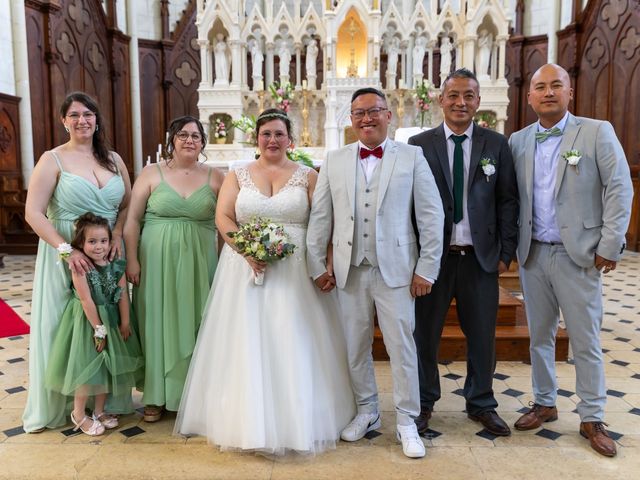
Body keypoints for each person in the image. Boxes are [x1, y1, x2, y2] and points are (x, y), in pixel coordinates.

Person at [175, 109, 355, 455]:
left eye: (278, 134)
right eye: (266, 134)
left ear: (291, 138)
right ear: (256, 138)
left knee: (295, 338)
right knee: (247, 341)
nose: (272, 140)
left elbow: (323, 223)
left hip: (296, 270)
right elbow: (223, 216)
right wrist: (246, 249)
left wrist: (327, 264)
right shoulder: (237, 174)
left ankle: (301, 417)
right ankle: (247, 420)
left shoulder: (308, 176)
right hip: (245, 268)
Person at [307, 88, 444, 458]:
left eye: (374, 111)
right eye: (358, 113)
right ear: (350, 119)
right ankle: (367, 410)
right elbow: (321, 218)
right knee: (355, 347)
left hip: (398, 271)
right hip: (349, 271)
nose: (366, 119)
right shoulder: (334, 160)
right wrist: (317, 265)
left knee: (401, 347)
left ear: (389, 115)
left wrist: (427, 269)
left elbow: (431, 216)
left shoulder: (412, 157)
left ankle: (406, 421)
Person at [509, 63, 633, 457]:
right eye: (540, 87)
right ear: (529, 97)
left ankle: (592, 416)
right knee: (540, 336)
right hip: (533, 254)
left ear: (569, 92)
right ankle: (545, 401)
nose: (548, 92)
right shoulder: (518, 141)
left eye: (555, 86)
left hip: (578, 255)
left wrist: (609, 245)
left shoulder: (596, 132)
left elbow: (619, 187)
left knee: (585, 340)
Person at [408, 68, 519, 437]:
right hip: (432, 261)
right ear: (441, 99)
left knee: (483, 334)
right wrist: (414, 258)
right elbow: (407, 205)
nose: (460, 102)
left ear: (478, 102)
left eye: (468, 95)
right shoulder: (419, 145)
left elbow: (508, 199)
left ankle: (482, 403)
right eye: (453, 95)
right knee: (425, 334)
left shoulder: (495, 144)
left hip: (479, 258)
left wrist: (506, 252)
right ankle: (424, 402)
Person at [23, 91, 132, 433]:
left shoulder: (113, 159)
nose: (82, 120)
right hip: (68, 256)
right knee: (68, 327)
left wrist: (116, 234)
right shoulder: (52, 159)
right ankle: (67, 406)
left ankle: (105, 402)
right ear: (63, 121)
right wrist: (67, 250)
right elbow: (33, 213)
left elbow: (126, 205)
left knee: (108, 322)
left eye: (88, 114)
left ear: (97, 119)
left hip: (107, 253)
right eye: (74, 115)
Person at [124, 116, 224, 423]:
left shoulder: (217, 177)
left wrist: (223, 267)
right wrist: (132, 259)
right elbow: (132, 220)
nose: (189, 140)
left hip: (200, 263)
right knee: (156, 321)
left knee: (197, 322)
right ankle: (154, 395)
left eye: (196, 136)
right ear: (172, 139)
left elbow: (227, 222)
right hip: (155, 262)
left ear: (203, 142)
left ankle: (190, 396)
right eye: (183, 135)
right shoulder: (151, 173)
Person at [45, 213, 143, 436]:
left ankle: (99, 410)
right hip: (89, 322)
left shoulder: (116, 265)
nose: (99, 246)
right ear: (80, 243)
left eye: (103, 241)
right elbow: (86, 300)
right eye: (92, 241)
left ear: (110, 242)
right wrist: (99, 329)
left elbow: (122, 296)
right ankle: (79, 413)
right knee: (88, 368)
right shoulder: (80, 267)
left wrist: (125, 321)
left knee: (107, 368)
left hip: (112, 319)